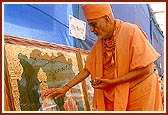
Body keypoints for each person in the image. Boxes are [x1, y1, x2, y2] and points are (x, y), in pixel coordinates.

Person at [43, 4, 163, 111]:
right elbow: (87, 69)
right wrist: (65, 88)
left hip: (140, 92)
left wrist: (113, 82)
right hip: (117, 92)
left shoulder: (131, 31)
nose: (91, 29)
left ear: (107, 19)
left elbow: (147, 69)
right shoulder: (100, 43)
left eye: (94, 24)